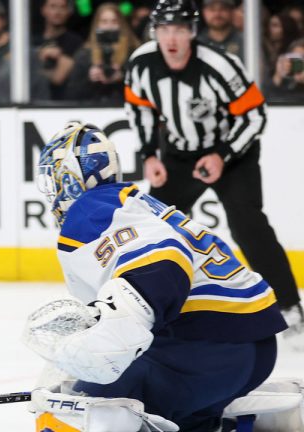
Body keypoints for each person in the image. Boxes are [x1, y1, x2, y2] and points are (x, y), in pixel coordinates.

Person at [25, 122, 286, 431]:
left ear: (68, 178)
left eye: (53, 180)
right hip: (247, 345)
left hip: (206, 348)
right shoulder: (132, 203)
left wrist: (113, 333)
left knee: (75, 413)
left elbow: (164, 261)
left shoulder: (90, 209)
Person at [124, 0, 304, 344]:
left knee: (249, 227)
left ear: (192, 31)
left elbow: (254, 116)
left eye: (179, 29)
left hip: (233, 154)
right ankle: (144, 307)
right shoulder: (142, 63)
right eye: (164, 29)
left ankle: (289, 307)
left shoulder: (219, 64)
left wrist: (222, 155)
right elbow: (139, 108)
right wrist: (149, 155)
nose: (171, 38)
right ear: (155, 32)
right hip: (178, 155)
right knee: (152, 228)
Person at [64, 2, 140, 103]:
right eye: (104, 22)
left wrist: (122, 78)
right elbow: (70, 95)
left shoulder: (134, 53)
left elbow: (143, 90)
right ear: (97, 25)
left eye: (114, 21)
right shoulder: (84, 55)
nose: (109, 26)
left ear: (121, 25)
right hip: (93, 109)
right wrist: (89, 79)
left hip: (123, 109)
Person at [34, 0, 84, 100]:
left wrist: (34, 65)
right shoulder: (32, 41)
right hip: (34, 101)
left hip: (62, 103)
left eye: (62, 7)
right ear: (43, 10)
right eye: (53, 6)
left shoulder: (75, 41)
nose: (57, 12)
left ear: (69, 12)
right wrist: (38, 54)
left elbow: (58, 78)